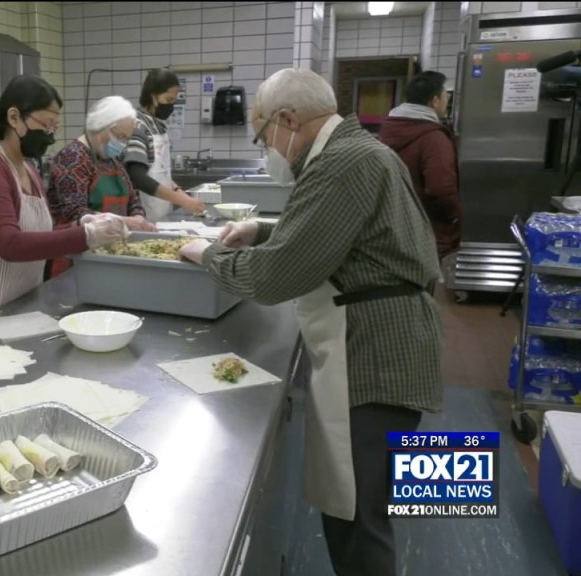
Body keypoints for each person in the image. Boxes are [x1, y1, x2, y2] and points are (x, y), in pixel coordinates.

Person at [178, 68, 443, 576]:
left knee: (359, 515)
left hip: (376, 356)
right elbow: (344, 231)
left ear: (287, 119)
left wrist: (206, 255)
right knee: (360, 506)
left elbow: (278, 278)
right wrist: (263, 228)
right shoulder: (359, 150)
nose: (268, 151)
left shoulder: (340, 163)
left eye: (264, 138)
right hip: (396, 342)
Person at [0, 75, 128, 329]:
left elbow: (37, 234)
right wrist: (85, 235)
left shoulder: (29, 168)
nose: (50, 136)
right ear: (14, 118)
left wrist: (81, 223)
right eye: (46, 125)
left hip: (19, 301)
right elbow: (10, 244)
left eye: (54, 127)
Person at [46, 96, 157, 278]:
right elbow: (76, 214)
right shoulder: (72, 158)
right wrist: (127, 222)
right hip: (75, 258)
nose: (122, 144)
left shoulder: (113, 160)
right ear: (99, 127)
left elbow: (133, 199)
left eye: (126, 139)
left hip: (110, 254)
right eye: (120, 136)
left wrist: (138, 216)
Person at [379, 70, 462, 266]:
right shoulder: (434, 138)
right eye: (445, 95)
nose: (447, 99)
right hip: (424, 229)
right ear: (434, 101)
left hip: (393, 223)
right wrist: (453, 216)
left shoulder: (390, 129)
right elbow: (440, 188)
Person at [124, 68, 205, 221]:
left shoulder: (158, 126)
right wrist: (182, 201)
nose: (171, 106)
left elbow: (161, 174)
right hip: (142, 213)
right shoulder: (138, 126)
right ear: (153, 96)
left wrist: (180, 193)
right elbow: (138, 177)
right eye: (168, 100)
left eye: (174, 101)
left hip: (161, 212)